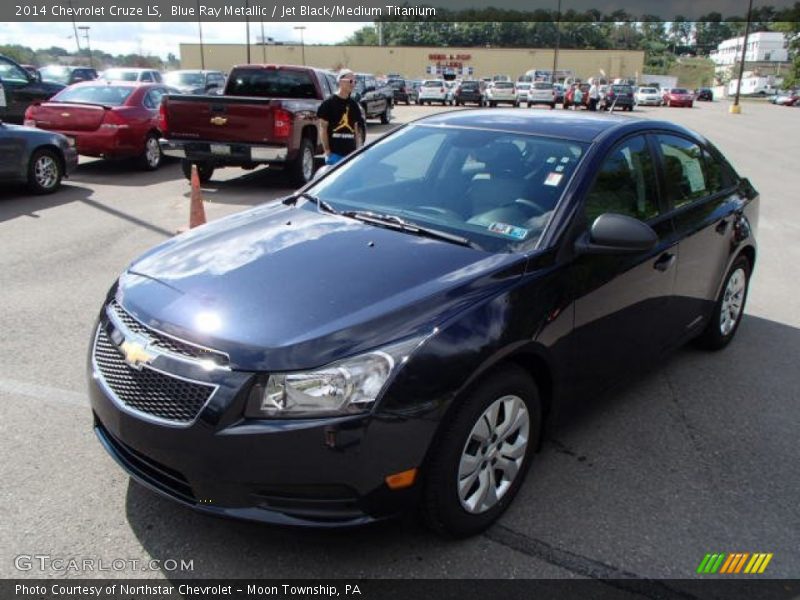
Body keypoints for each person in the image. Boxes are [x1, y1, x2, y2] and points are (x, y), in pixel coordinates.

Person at [317, 69, 366, 166]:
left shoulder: (353, 105)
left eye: (355, 82)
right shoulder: (328, 103)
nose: (353, 84)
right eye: (350, 81)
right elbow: (323, 128)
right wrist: (327, 151)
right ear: (340, 81)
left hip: (351, 155)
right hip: (335, 155)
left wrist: (358, 149)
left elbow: (356, 128)